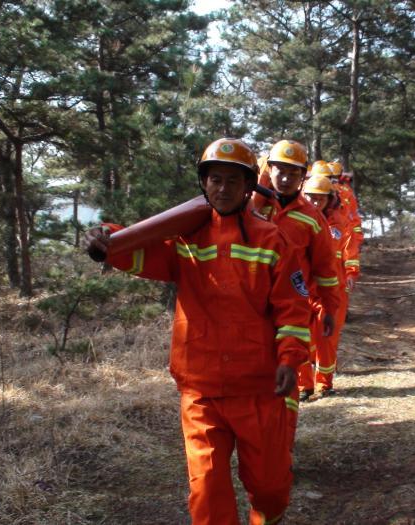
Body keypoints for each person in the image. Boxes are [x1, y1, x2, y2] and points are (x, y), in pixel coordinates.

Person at [85, 138, 311, 525]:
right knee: (206, 489)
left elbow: (292, 308)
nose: (222, 189)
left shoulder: (272, 240)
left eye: (232, 181)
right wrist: (109, 239)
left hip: (258, 388)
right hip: (200, 388)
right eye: (215, 179)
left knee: (270, 489)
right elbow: (139, 254)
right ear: (204, 184)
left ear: (248, 186)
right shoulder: (185, 239)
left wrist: (290, 358)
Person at [254, 141, 342, 403]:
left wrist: (329, 308)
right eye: (280, 170)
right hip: (251, 303)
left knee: (287, 370)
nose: (285, 178)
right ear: (269, 170)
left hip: (291, 305)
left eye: (293, 173)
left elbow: (325, 269)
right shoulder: (253, 206)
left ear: (303, 177)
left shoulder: (312, 218)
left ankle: (282, 432)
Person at [302, 174, 360, 394]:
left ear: (330, 199)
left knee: (327, 337)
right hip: (303, 289)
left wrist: (351, 272)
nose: (315, 203)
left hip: (332, 290)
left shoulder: (338, 222)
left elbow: (349, 248)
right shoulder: (296, 219)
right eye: (311, 198)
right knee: (301, 337)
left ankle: (324, 384)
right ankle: (303, 386)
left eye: (320, 199)